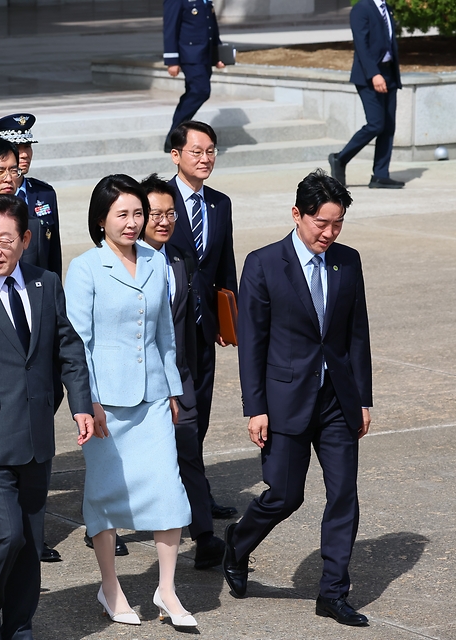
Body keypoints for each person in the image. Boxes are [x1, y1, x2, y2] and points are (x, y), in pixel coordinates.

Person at [0, 194, 95, 640]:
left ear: (25, 239)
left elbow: (68, 349)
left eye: (5, 240)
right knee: (5, 537)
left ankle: (20, 627)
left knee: (28, 542)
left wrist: (81, 405)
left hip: (35, 437)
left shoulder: (46, 284)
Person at [223, 170, 373, 627]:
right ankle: (238, 543)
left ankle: (333, 593)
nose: (329, 233)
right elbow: (252, 344)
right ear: (297, 214)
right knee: (284, 496)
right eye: (321, 223)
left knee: (344, 494)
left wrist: (363, 398)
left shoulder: (347, 261)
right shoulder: (264, 264)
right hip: (285, 400)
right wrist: (255, 408)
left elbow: (357, 333)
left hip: (337, 401)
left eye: (338, 223)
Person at [64, 176, 195, 629]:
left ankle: (167, 590)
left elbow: (165, 333)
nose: (133, 223)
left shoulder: (158, 262)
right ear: (101, 220)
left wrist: (173, 389)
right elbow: (78, 342)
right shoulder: (85, 268)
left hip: (153, 395)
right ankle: (110, 587)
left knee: (168, 489)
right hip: (106, 404)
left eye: (138, 213)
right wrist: (89, 401)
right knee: (105, 495)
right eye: (122, 214)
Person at [140, 173, 226, 570]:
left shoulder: (180, 259)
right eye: (154, 214)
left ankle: (204, 536)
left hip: (178, 375)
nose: (164, 221)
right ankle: (102, 526)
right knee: (130, 460)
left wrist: (187, 373)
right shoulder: (121, 261)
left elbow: (185, 323)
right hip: (136, 382)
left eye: (170, 213)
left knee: (188, 451)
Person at [166, 120, 239, 520]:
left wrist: (230, 320)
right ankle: (178, 490)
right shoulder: (158, 202)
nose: (205, 158)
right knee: (175, 412)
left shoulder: (220, 203)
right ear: (176, 155)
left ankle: (195, 490)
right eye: (197, 151)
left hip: (204, 324)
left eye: (211, 151)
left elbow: (225, 263)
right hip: (169, 324)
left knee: (202, 408)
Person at [0, 114, 62, 276]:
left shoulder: (44, 194)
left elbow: (52, 256)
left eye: (27, 146)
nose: (24, 154)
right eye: (16, 147)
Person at [328, 0, 404, 189]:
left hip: (389, 73)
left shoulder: (386, 9)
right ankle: (340, 158)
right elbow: (361, 45)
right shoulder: (361, 8)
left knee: (388, 126)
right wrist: (374, 74)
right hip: (369, 75)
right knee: (376, 124)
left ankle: (380, 175)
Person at [163, 0, 224, 151]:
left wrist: (218, 54)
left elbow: (212, 26)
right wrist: (172, 60)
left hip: (205, 54)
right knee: (200, 91)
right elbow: (170, 28)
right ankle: (174, 135)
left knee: (194, 92)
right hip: (189, 55)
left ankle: (177, 135)